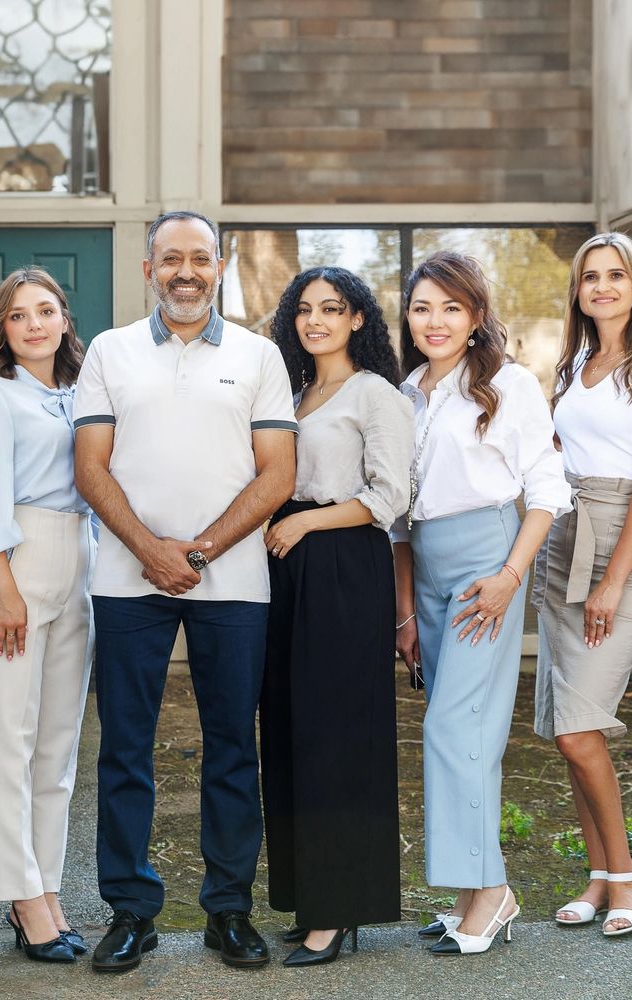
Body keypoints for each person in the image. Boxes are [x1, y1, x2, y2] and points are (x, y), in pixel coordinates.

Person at [73, 211, 297, 973]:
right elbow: (90, 466)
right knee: (125, 749)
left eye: (200, 258)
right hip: (126, 581)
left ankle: (227, 911)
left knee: (233, 747)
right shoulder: (109, 351)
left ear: (220, 268)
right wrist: (148, 550)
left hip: (232, 582)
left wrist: (195, 552)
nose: (186, 272)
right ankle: (131, 911)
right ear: (149, 269)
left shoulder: (260, 355)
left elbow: (278, 475)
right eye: (171, 259)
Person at [390, 251, 571, 957]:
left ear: (475, 317)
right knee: (460, 729)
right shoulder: (405, 392)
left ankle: (490, 892)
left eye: (451, 308)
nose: (435, 322)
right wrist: (404, 611)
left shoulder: (508, 384)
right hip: (427, 561)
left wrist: (507, 576)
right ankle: (472, 891)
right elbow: (400, 520)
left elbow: (549, 490)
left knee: (456, 727)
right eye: (422, 308)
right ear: (407, 316)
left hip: (488, 558)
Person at [259, 266, 412, 967]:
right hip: (289, 567)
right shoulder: (294, 393)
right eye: (305, 309)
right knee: (292, 731)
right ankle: (308, 896)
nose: (316, 319)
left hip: (344, 565)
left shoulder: (375, 393)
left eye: (333, 308)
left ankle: (340, 910)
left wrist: (308, 526)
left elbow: (389, 498)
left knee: (339, 738)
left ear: (358, 320)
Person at [534, 233, 632, 936]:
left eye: (615, 275)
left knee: (580, 727)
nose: (601, 286)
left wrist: (614, 582)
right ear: (578, 289)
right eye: (590, 276)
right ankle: (598, 878)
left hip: (626, 535)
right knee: (571, 725)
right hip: (568, 532)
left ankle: (629, 881)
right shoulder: (574, 365)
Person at [0, 267, 92, 965]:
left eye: (47, 311)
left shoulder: (80, 395)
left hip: (81, 562)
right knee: (9, 737)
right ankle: (21, 895)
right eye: (19, 316)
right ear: (3, 329)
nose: (35, 324)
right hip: (17, 561)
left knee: (58, 745)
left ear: (65, 320)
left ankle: (49, 884)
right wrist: (3, 588)